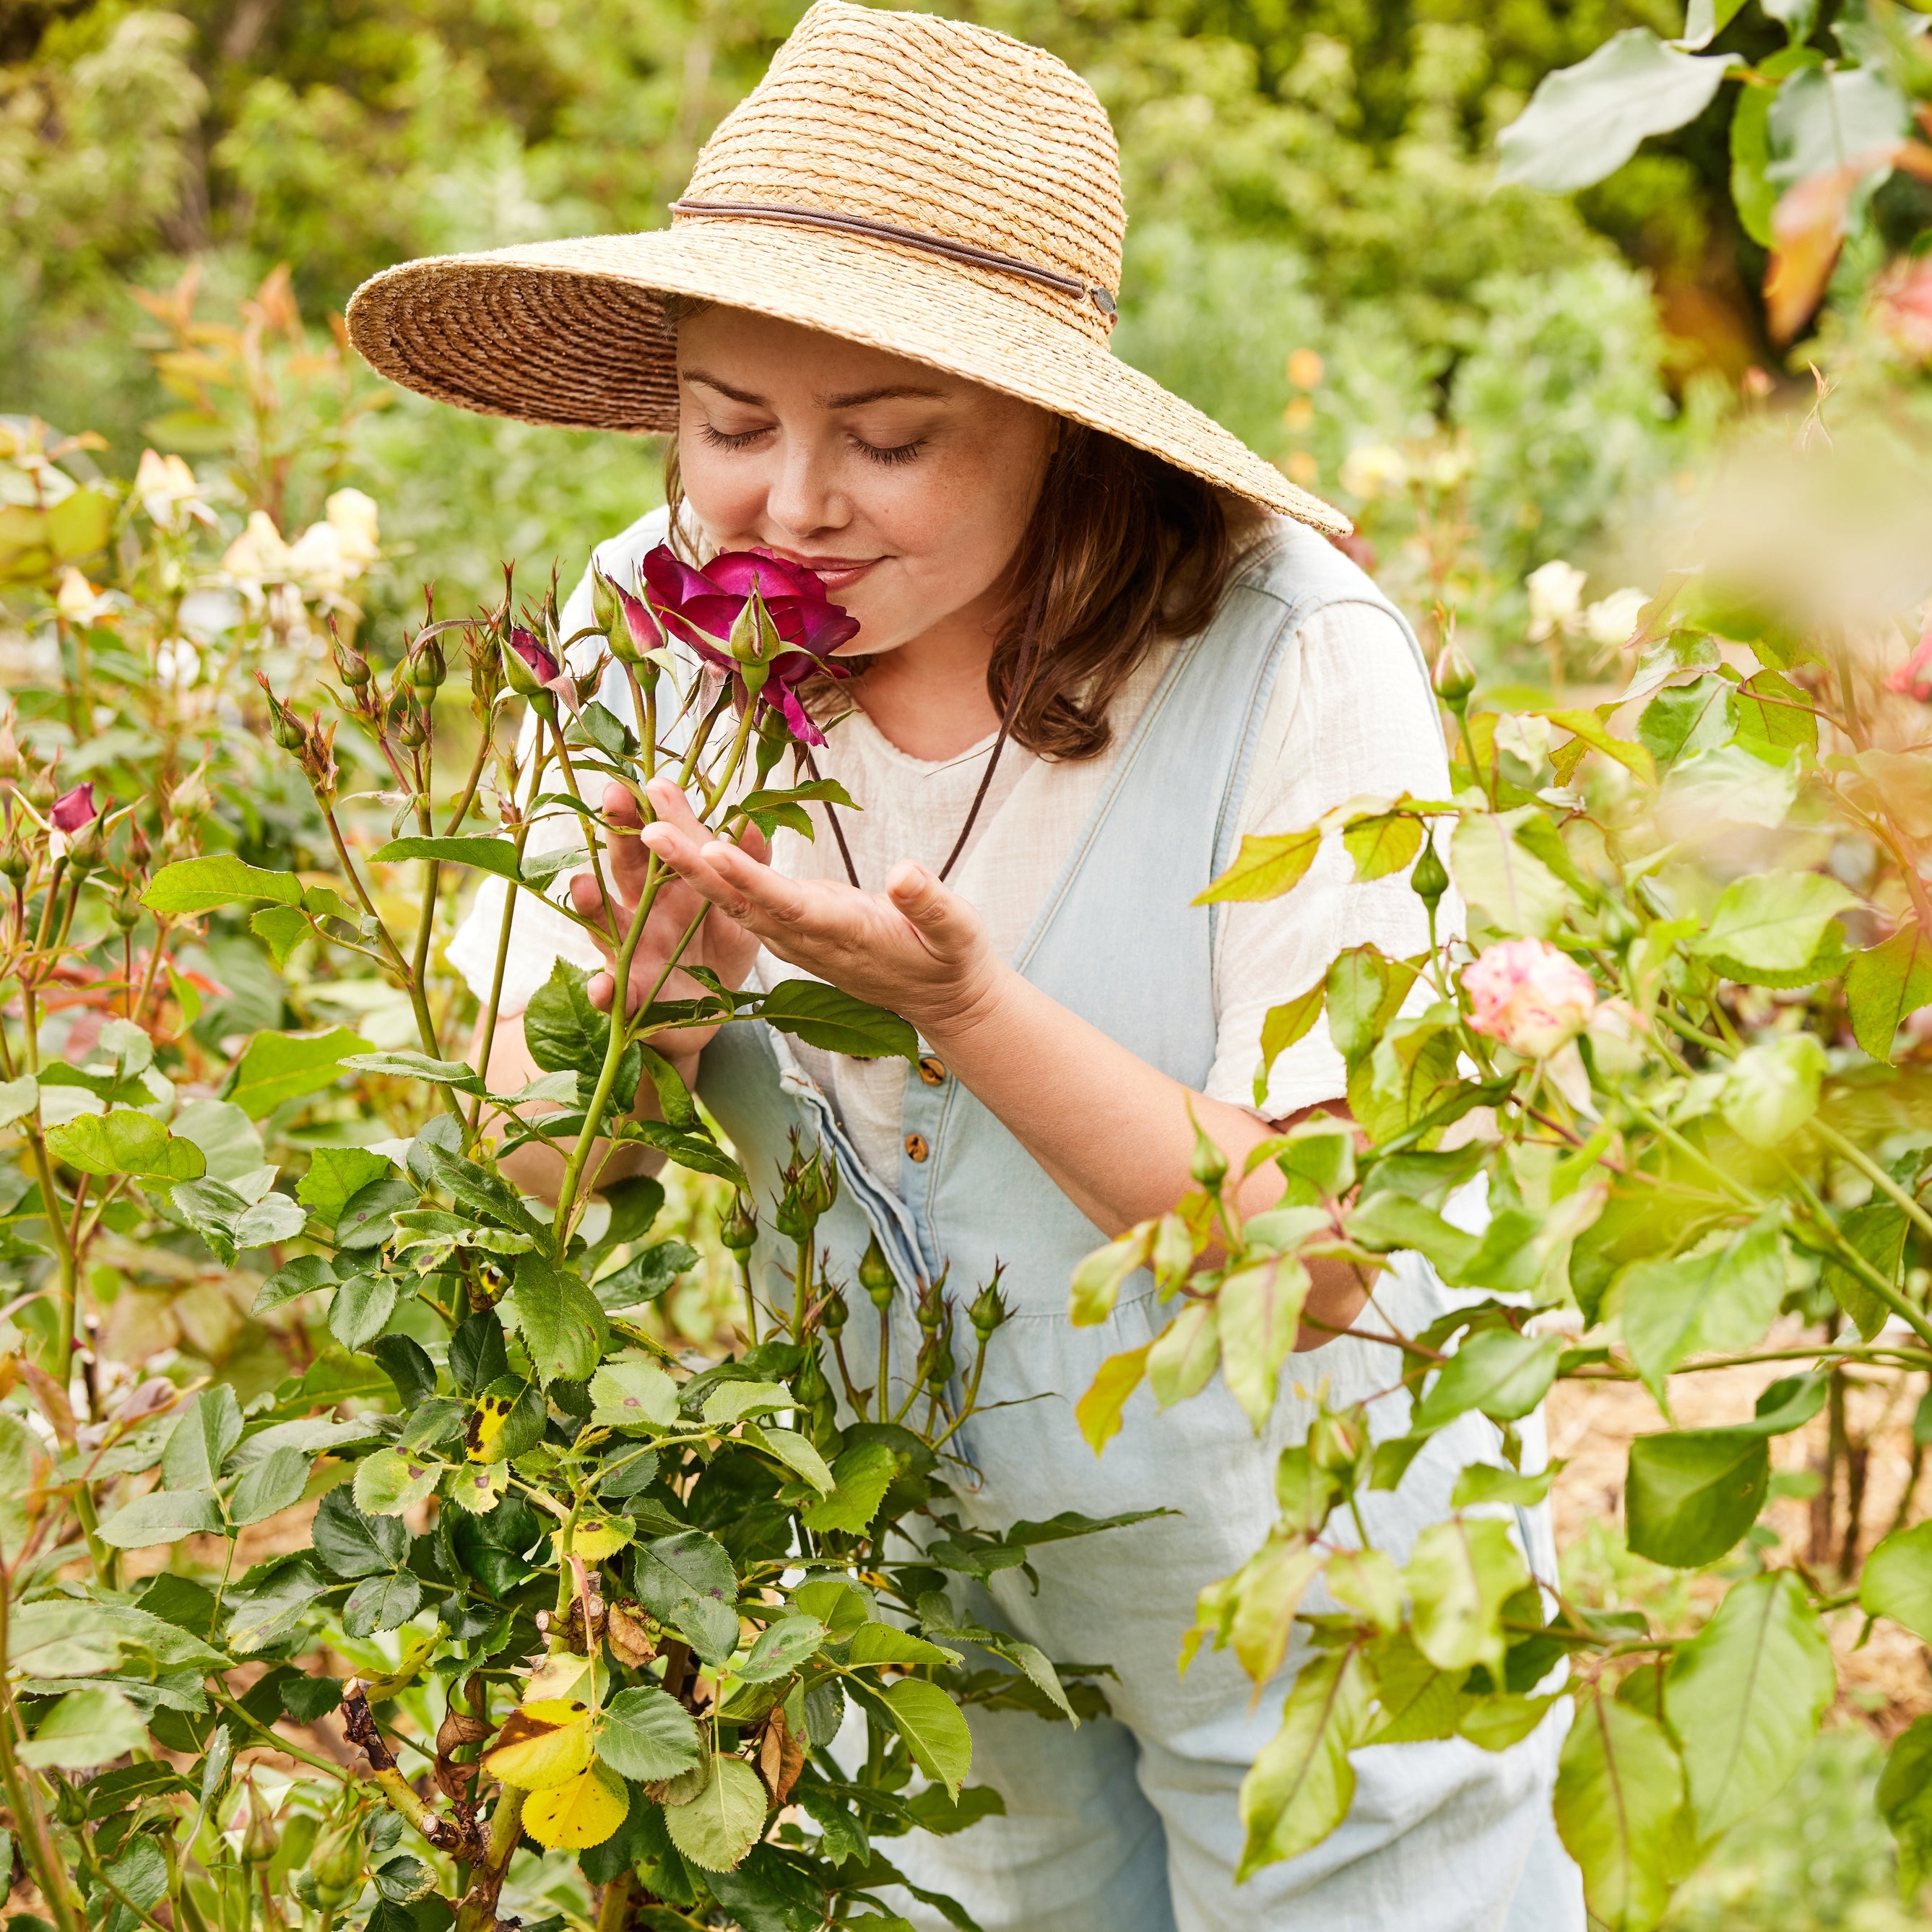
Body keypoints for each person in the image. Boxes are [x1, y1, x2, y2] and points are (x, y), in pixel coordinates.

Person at [347, 7, 1582, 1928]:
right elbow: (525, 1186)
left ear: (1059, 437)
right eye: (731, 421)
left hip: (1313, 1574)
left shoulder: (1287, 662)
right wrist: (651, 1009)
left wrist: (962, 1009)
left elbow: (1326, 1254)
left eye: (892, 436)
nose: (784, 505)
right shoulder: (646, 637)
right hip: (914, 1586)